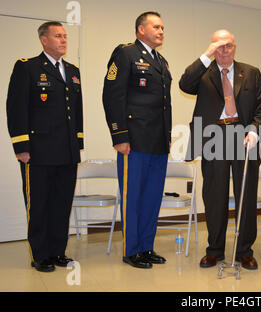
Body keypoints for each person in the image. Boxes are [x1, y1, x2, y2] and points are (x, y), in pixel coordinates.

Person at [179, 29, 261, 270]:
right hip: (213, 136)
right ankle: (214, 250)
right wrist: (207, 55)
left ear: (235, 47)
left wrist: (254, 131)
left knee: (246, 195)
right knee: (214, 195)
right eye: (219, 46)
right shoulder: (203, 73)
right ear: (212, 48)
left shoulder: (251, 72)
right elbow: (184, 84)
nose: (224, 50)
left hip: (243, 135)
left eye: (228, 45)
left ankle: (245, 251)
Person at [6, 21, 83, 272]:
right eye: (57, 36)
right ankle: (40, 255)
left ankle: (57, 252)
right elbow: (15, 108)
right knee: (38, 204)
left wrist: (78, 142)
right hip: (37, 151)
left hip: (67, 150)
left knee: (61, 204)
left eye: (65, 36)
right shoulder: (27, 67)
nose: (63, 40)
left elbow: (77, 111)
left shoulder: (72, 70)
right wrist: (21, 145)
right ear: (44, 40)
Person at [102, 11, 172, 269]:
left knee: (153, 198)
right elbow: (112, 95)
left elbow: (165, 104)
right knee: (133, 198)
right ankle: (131, 250)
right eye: (156, 27)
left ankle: (146, 247)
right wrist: (119, 135)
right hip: (134, 140)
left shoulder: (161, 61)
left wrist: (167, 137)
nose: (161, 31)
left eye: (163, 27)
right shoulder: (126, 53)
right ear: (140, 29)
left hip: (158, 141)